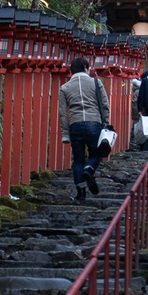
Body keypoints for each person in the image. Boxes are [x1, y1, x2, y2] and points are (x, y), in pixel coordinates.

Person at [58, 57, 110, 201]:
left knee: (78, 160)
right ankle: (90, 169)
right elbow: (105, 104)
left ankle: (81, 192)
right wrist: (106, 122)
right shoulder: (95, 82)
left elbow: (63, 113)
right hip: (94, 123)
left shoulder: (65, 88)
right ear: (86, 68)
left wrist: (65, 134)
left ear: (71, 70)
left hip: (76, 124)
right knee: (96, 154)